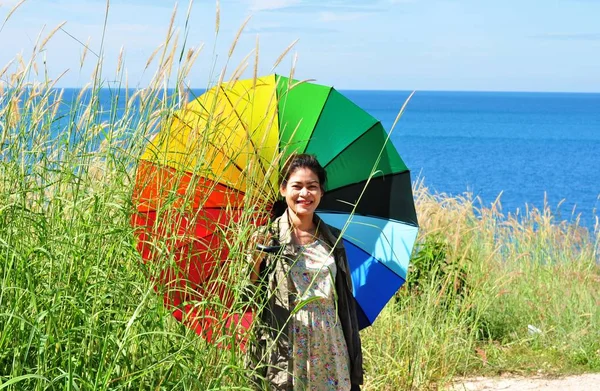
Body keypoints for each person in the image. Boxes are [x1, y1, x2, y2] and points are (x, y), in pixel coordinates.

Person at [249, 153, 363, 391]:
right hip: (289, 343)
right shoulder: (266, 238)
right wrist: (254, 263)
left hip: (330, 343)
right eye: (297, 186)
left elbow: (342, 300)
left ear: (321, 192)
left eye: (312, 187)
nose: (304, 194)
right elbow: (247, 300)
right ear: (283, 189)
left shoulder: (333, 238)